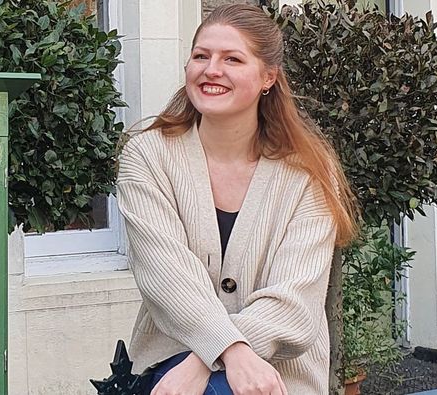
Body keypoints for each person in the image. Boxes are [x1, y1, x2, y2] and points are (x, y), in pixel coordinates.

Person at [116, 4, 358, 395]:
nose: (212, 69)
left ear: (268, 77)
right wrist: (229, 351)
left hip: (281, 373)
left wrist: (212, 357)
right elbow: (168, 278)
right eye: (201, 56)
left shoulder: (310, 171)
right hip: (173, 359)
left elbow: (294, 302)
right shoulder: (148, 156)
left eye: (232, 59)